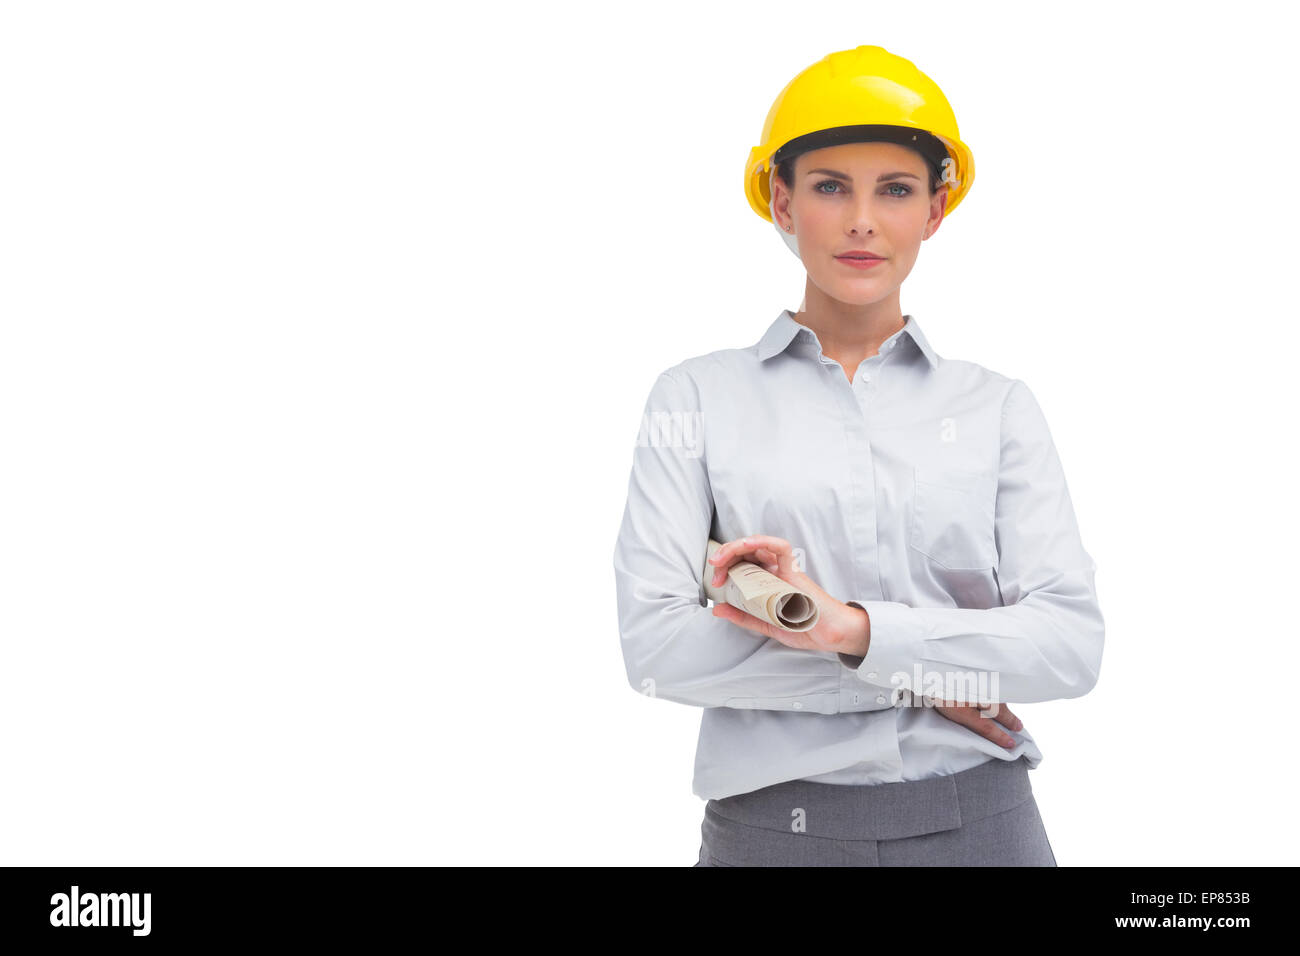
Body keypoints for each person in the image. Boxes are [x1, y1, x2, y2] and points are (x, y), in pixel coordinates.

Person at [612, 45, 1104, 866]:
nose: (862, 220)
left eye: (897, 190)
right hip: (770, 834)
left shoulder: (997, 408)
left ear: (936, 210)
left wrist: (846, 629)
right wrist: (926, 671)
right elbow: (657, 650)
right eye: (831, 186)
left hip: (981, 829)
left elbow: (1067, 646)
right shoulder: (695, 400)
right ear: (782, 200)